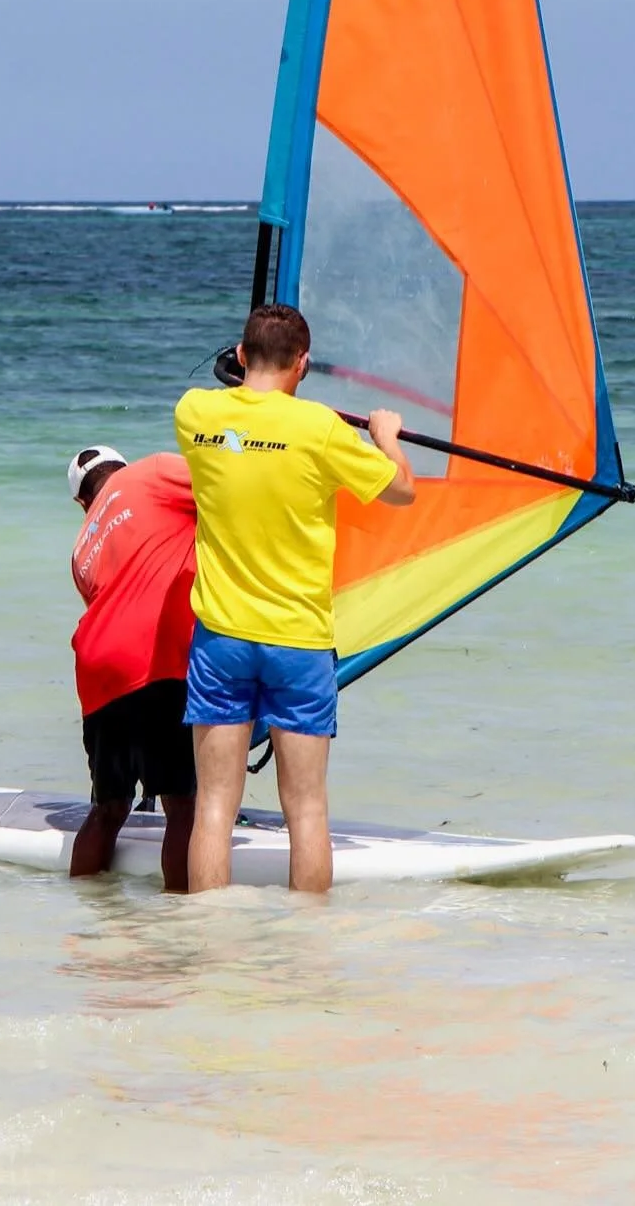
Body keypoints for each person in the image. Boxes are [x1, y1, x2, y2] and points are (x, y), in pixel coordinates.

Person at [173, 304, 415, 894]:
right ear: (302, 363)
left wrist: (249, 379)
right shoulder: (321, 430)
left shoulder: (193, 412)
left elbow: (235, 400)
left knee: (213, 808)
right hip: (298, 643)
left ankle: (210, 940)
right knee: (306, 810)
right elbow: (402, 491)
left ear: (240, 353)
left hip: (222, 640)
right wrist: (386, 437)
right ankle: (304, 956)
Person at [66, 444, 198, 892]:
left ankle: (87, 913)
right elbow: (229, 486)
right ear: (123, 466)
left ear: (81, 502)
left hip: (97, 668)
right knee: (182, 805)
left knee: (109, 806)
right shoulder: (155, 472)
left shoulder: (81, 547)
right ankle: (178, 925)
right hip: (153, 657)